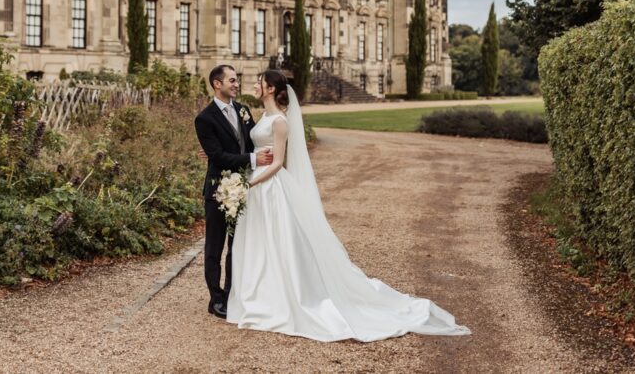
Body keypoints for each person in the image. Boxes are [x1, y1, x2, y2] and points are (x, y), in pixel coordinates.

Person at [226, 69, 471, 341]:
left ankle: (282, 297)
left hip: (268, 186)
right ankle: (259, 293)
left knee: (278, 241)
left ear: (270, 88)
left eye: (259, 82)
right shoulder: (262, 116)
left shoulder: (280, 122)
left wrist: (253, 183)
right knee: (260, 241)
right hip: (258, 183)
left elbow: (278, 162)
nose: (255, 85)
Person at [194, 64, 274, 319]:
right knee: (214, 248)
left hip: (244, 187)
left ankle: (231, 293)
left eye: (237, 80)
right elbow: (217, 157)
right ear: (217, 84)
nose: (236, 84)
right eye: (232, 80)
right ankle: (215, 298)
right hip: (218, 190)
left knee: (237, 245)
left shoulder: (243, 110)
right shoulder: (204, 118)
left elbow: (249, 143)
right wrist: (252, 160)